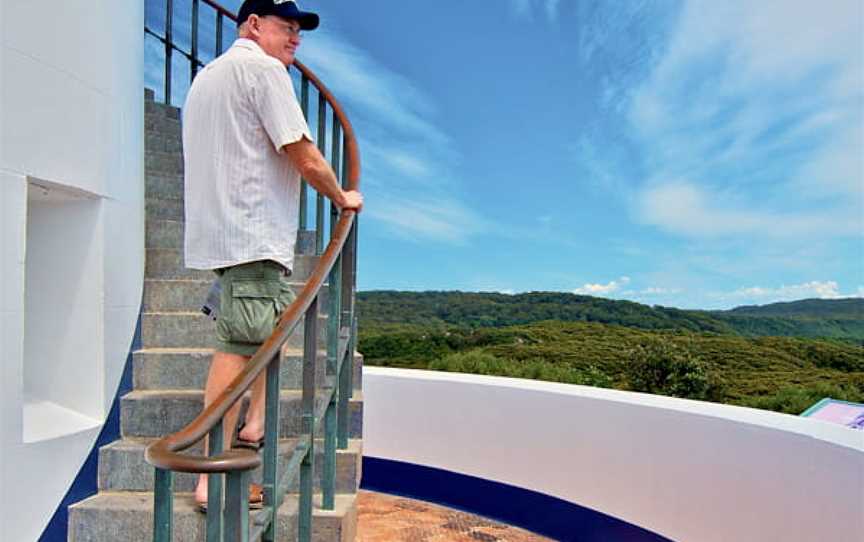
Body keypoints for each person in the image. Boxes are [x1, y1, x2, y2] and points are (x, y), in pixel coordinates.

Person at [182, 0, 363, 510]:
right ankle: (211, 478)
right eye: (287, 27)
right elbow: (301, 149)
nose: (296, 39)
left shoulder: (209, 76)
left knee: (271, 329)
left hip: (226, 233)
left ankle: (256, 425)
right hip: (252, 235)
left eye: (299, 31)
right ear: (254, 25)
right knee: (239, 346)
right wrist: (341, 196)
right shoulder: (264, 71)